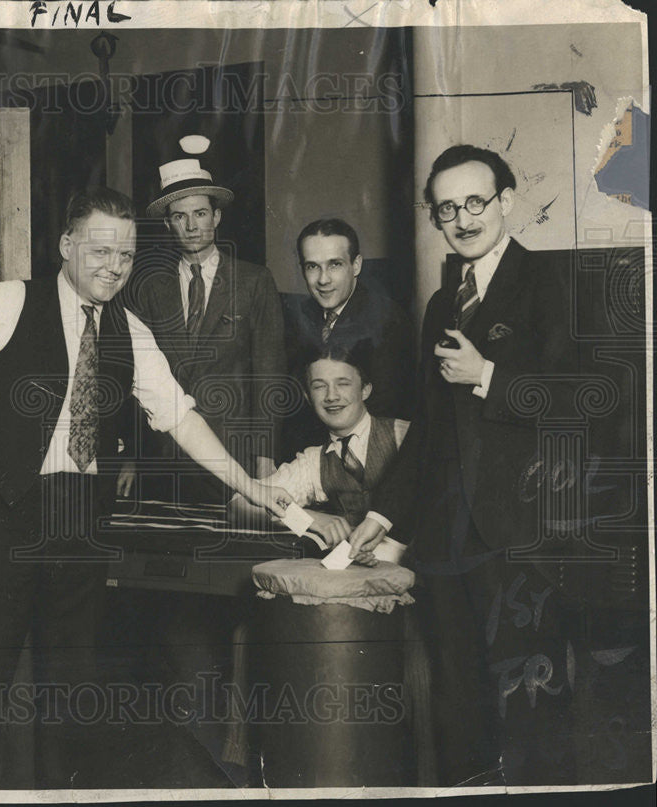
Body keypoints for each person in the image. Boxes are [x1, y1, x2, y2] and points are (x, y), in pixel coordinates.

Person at [0, 187, 292, 789]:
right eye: (100, 251)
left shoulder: (129, 330)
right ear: (66, 246)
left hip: (75, 514)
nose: (113, 267)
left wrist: (251, 487)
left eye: (125, 256)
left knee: (73, 688)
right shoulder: (9, 303)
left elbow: (180, 417)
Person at [348, 145, 580, 785]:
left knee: (531, 705)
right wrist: (383, 512)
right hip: (444, 541)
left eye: (475, 201)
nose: (462, 217)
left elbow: (587, 404)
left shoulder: (549, 284)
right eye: (446, 207)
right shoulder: (440, 306)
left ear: (506, 201)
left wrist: (490, 377)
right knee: (458, 707)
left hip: (523, 536)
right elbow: (428, 431)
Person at [122, 149, 286, 503]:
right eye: (180, 216)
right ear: (167, 224)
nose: (191, 225)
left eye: (200, 213)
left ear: (217, 217)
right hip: (163, 456)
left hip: (234, 455)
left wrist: (265, 454)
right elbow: (135, 380)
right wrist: (133, 459)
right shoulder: (149, 288)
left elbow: (269, 374)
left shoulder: (253, 281)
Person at [229, 341, 409, 549]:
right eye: (319, 386)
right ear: (307, 397)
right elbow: (239, 506)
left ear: (365, 390)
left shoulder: (403, 435)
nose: (331, 396)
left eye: (343, 383)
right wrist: (306, 519)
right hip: (354, 571)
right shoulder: (313, 461)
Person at [281, 218, 414, 460]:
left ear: (356, 265)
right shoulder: (301, 317)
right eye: (312, 266)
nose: (323, 279)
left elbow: (384, 414)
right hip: (310, 461)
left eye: (335, 265)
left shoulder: (387, 319)